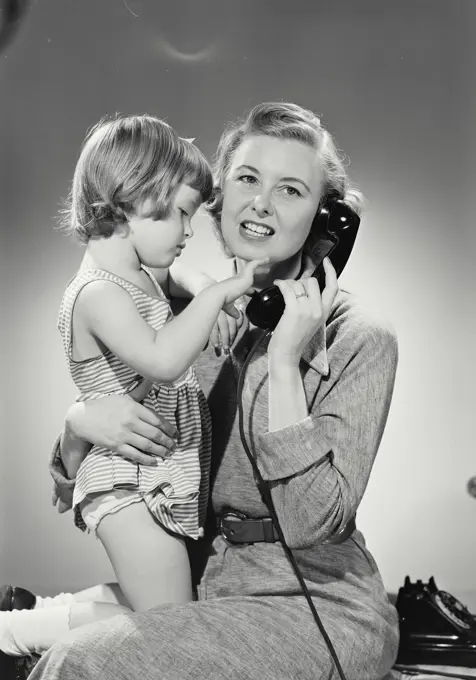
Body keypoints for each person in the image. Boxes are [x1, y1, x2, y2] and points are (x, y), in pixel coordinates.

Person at [27, 101, 400, 680]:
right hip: (209, 584)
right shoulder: (179, 319)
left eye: (291, 190)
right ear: (219, 197)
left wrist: (283, 363)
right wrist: (78, 423)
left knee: (81, 663)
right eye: (248, 179)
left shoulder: (359, 338)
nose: (261, 203)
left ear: (327, 221)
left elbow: (309, 524)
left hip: (315, 607)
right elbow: (83, 463)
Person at [0, 114, 267, 668]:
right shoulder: (98, 293)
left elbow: (178, 279)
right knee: (171, 623)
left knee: (166, 610)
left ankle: (34, 617)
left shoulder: (137, 274)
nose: (189, 234)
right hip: (129, 481)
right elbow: (166, 363)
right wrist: (219, 297)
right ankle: (20, 635)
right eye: (182, 215)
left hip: (154, 475)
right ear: (137, 199)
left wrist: (200, 288)